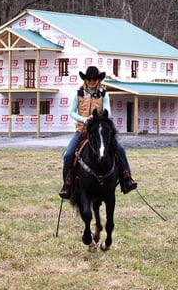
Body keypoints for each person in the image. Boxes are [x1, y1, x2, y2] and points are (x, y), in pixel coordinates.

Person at [58, 66, 137, 199]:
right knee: (68, 155)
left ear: (98, 80)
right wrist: (84, 119)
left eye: (94, 79)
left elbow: (108, 112)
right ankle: (67, 184)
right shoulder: (79, 93)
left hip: (99, 129)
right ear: (86, 80)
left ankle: (127, 179)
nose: (92, 81)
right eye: (89, 79)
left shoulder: (104, 94)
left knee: (120, 149)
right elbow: (71, 112)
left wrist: (97, 119)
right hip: (82, 129)